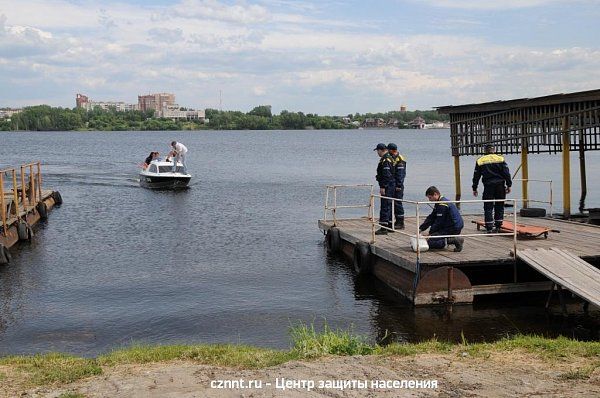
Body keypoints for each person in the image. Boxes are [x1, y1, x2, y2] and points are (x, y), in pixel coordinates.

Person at [472, 145, 512, 233]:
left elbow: (476, 176)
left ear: (485, 150)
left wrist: (474, 188)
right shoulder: (500, 159)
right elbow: (506, 173)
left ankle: (489, 227)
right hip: (500, 186)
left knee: (488, 207)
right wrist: (509, 185)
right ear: (494, 150)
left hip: (488, 186)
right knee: (500, 206)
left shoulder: (480, 160)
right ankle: (498, 226)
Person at [419, 186, 464, 252]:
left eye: (430, 197)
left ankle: (453, 240)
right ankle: (451, 238)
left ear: (435, 194)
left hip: (453, 227)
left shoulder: (442, 205)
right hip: (450, 225)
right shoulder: (440, 202)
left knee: (429, 242)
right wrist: (421, 228)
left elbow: (439, 222)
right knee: (430, 238)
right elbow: (431, 217)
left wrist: (430, 235)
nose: (429, 200)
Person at [374, 143, 395, 235]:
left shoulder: (385, 160)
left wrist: (383, 186)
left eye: (377, 151)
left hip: (387, 186)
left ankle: (383, 228)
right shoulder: (389, 158)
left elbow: (386, 175)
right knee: (389, 205)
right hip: (391, 186)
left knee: (385, 206)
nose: (377, 153)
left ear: (381, 150)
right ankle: (390, 225)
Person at [387, 143, 406, 229]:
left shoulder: (399, 159)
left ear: (391, 150)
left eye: (388, 150)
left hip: (398, 185)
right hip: (394, 184)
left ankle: (400, 222)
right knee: (393, 203)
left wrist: (399, 185)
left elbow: (400, 174)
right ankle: (395, 221)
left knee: (398, 203)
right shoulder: (393, 158)